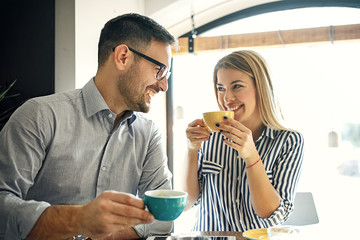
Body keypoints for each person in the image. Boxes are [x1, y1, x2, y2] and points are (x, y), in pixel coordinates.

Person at [0, 13, 177, 240]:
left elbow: (163, 217)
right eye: (159, 70)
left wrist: (108, 235)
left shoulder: (149, 134)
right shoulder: (40, 116)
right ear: (123, 57)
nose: (164, 85)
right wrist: (77, 220)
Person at [182, 50, 304, 231]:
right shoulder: (210, 135)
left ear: (260, 87)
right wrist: (192, 149)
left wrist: (251, 156)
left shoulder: (289, 141)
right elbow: (187, 202)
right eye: (221, 88)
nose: (227, 98)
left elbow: (271, 213)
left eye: (237, 86)